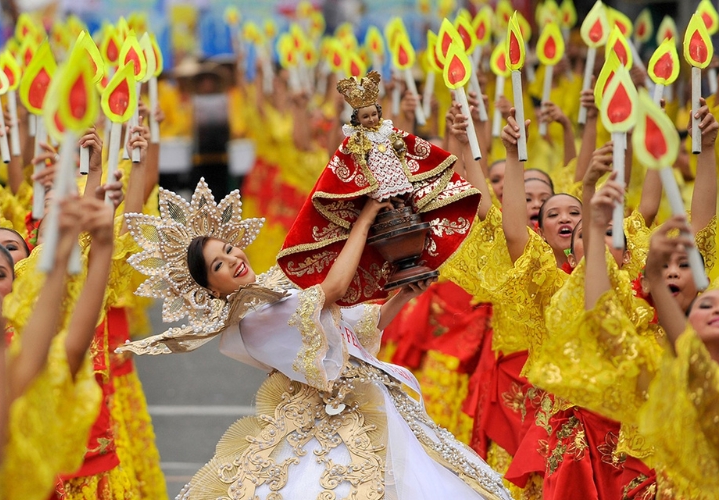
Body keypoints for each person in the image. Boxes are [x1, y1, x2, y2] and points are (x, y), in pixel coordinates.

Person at [118, 179, 512, 499]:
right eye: (218, 265)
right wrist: (364, 219)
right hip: (325, 418)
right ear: (212, 289)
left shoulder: (276, 283)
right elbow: (335, 288)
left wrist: (403, 295)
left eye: (228, 249)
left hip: (370, 398)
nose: (233, 259)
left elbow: (355, 331)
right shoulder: (249, 322)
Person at [277, 71, 481, 305]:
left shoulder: (389, 132)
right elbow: (346, 163)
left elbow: (407, 148)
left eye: (374, 114)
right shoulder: (355, 141)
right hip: (375, 186)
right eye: (366, 116)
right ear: (357, 120)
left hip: (397, 178)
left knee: (405, 205)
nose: (372, 119)